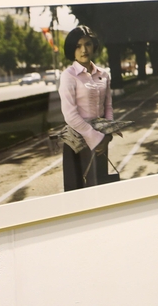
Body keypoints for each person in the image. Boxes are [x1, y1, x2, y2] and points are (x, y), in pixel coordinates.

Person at [59, 25, 114, 190]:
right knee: (79, 191)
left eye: (88, 44)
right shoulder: (68, 76)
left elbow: (108, 107)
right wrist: (95, 139)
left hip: (100, 140)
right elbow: (70, 115)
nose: (84, 49)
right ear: (72, 49)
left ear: (94, 45)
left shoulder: (103, 74)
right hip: (77, 142)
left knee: (101, 186)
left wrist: (107, 136)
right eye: (78, 46)